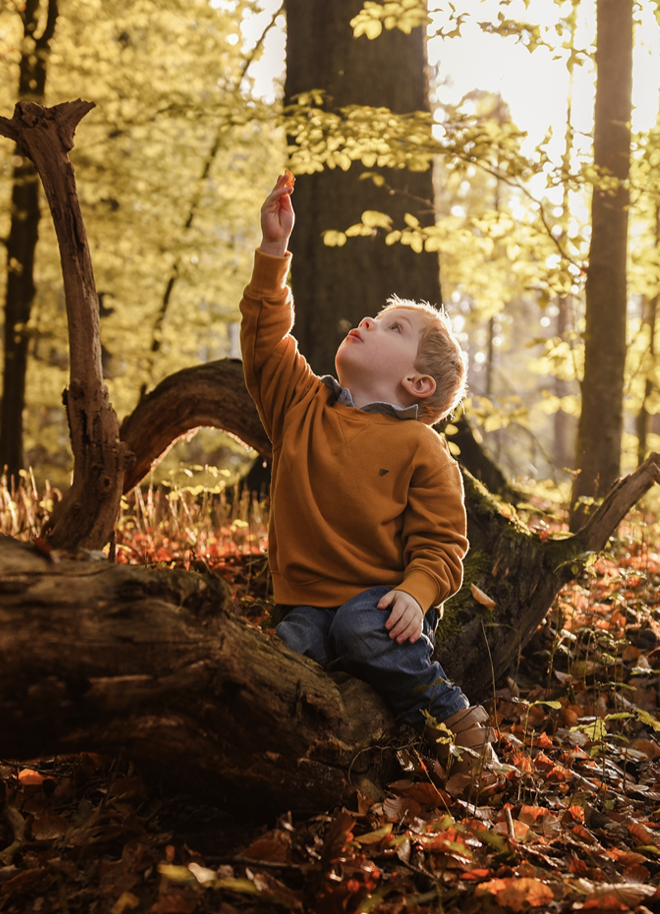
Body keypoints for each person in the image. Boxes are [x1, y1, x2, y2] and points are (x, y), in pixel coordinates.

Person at [240, 172, 494, 779]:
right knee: (284, 651)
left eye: (393, 328)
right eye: (379, 318)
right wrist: (275, 251)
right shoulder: (301, 406)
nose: (370, 322)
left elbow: (442, 547)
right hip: (304, 605)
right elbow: (265, 342)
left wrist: (416, 593)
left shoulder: (423, 450)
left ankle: (458, 725)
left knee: (360, 627)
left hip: (385, 606)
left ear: (418, 384)